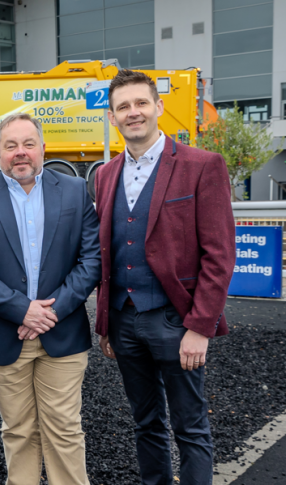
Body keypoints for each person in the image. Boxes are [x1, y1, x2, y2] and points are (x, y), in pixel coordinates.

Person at [93, 69, 235, 485]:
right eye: (123, 107)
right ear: (112, 118)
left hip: (177, 320)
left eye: (140, 103)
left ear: (158, 107)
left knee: (190, 428)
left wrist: (200, 327)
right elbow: (108, 252)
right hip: (124, 320)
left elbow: (220, 254)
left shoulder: (202, 165)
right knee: (145, 424)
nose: (132, 112)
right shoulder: (104, 175)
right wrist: (105, 324)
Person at [0, 113, 101, 484]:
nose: (21, 153)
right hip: (5, 334)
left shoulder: (75, 191)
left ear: (43, 148)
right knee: (17, 431)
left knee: (65, 430)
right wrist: (22, 310)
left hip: (62, 331)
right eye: (11, 145)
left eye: (28, 144)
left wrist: (51, 312)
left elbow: (92, 259)